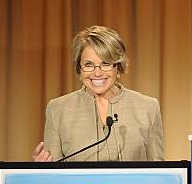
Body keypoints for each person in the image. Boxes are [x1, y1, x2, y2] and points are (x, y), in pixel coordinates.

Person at [32, 26, 164, 161]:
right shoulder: (58, 109)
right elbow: (54, 176)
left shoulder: (148, 108)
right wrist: (41, 170)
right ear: (79, 68)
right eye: (88, 64)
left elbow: (159, 174)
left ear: (118, 67)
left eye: (106, 63)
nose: (97, 73)